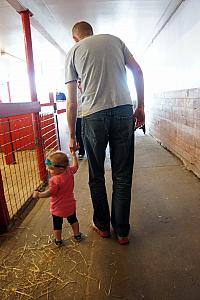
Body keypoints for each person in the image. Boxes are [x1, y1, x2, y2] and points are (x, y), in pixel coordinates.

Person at [65, 21, 145, 245]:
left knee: (96, 174)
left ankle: (102, 226)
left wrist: (72, 135)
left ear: (75, 38)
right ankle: (122, 231)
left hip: (92, 115)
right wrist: (141, 106)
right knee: (122, 174)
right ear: (92, 32)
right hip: (122, 110)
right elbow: (137, 70)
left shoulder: (73, 52)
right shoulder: (115, 41)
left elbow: (72, 103)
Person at [33, 150, 83, 246]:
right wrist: (74, 156)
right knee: (73, 220)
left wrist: (39, 195)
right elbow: (76, 166)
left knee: (57, 225)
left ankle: (58, 240)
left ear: (60, 168)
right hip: (70, 204)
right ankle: (77, 235)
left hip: (58, 207)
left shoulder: (54, 180)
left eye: (50, 168)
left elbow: (50, 192)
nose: (48, 170)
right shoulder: (69, 171)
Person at [76, 79, 85, 159]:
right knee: (78, 135)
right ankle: (81, 151)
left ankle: (90, 151)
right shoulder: (73, 92)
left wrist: (82, 89)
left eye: (80, 82)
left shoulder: (86, 89)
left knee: (88, 135)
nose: (79, 84)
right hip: (77, 116)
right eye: (78, 82)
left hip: (87, 115)